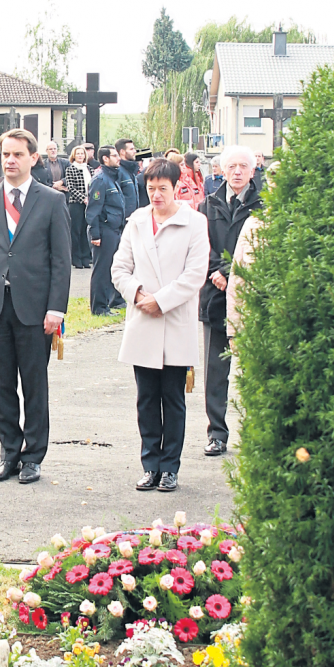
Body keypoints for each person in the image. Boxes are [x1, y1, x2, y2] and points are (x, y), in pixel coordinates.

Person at [0, 129, 71, 484]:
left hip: (35, 309)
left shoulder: (51, 201)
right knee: (1, 384)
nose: (10, 161)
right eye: (5, 154)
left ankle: (33, 456)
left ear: (33, 158)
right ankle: (9, 451)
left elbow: (60, 260)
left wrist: (56, 308)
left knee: (34, 384)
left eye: (17, 155)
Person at [111, 158, 209, 493]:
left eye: (162, 189)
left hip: (175, 319)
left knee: (173, 398)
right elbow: (119, 267)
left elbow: (195, 274)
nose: (156, 195)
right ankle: (149, 465)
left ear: (175, 187)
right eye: (150, 189)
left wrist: (161, 300)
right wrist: (139, 295)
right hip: (143, 319)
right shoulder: (137, 221)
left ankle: (170, 467)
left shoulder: (194, 223)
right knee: (146, 399)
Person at [199, 144, 261, 457]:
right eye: (232, 166)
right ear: (222, 170)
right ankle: (217, 433)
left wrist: (233, 273)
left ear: (253, 170)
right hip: (215, 295)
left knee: (254, 368)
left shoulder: (262, 205)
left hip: (251, 296)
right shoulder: (207, 205)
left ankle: (256, 431)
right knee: (215, 370)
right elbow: (199, 244)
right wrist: (215, 272)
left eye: (243, 167)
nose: (237, 172)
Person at [86, 146, 127, 315]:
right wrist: (95, 234)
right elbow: (93, 209)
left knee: (110, 267)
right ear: (105, 159)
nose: (119, 158)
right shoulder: (100, 180)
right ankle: (99, 307)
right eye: (115, 155)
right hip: (104, 230)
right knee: (101, 270)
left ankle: (109, 303)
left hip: (114, 229)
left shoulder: (112, 178)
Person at [64, 144, 92, 268]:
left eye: (82, 153)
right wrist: (83, 199)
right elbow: (70, 187)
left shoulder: (89, 169)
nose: (80, 156)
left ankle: (86, 258)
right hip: (76, 204)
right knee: (76, 231)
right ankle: (76, 259)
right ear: (74, 156)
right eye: (78, 154)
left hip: (90, 203)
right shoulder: (71, 169)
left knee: (86, 231)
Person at [116, 139, 147, 210]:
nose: (135, 151)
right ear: (122, 152)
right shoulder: (118, 172)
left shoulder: (131, 170)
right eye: (131, 149)